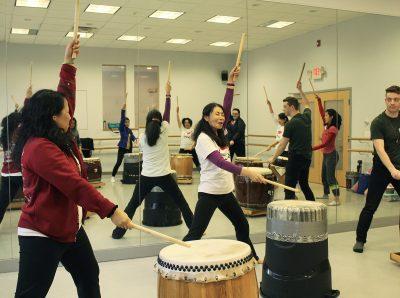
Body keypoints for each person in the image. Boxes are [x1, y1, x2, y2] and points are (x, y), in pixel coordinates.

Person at [12, 38, 133, 298]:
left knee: (89, 276)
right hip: (41, 232)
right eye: (66, 112)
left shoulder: (57, 133)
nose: (71, 115)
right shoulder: (39, 148)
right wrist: (111, 210)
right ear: (52, 117)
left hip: (70, 228)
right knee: (30, 294)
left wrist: (68, 63)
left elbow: (65, 98)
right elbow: (73, 184)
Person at [182, 66, 267, 261]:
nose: (221, 117)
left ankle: (251, 256)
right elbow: (220, 162)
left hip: (226, 192)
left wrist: (231, 83)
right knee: (196, 233)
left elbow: (227, 108)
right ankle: (176, 259)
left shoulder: (220, 132)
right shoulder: (203, 138)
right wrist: (246, 172)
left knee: (242, 225)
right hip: (210, 193)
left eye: (222, 115)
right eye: (216, 114)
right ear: (206, 117)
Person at [112, 80, 194, 239]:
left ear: (148, 121)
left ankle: (118, 233)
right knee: (182, 203)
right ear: (160, 121)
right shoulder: (164, 130)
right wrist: (168, 94)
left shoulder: (142, 137)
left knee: (132, 204)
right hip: (164, 176)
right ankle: (195, 230)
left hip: (147, 176)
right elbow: (167, 113)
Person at [353, 85, 400, 253]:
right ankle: (360, 240)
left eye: (396, 99)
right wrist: (392, 170)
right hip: (382, 170)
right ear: (385, 100)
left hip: (399, 169)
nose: (392, 103)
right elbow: (380, 150)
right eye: (389, 99)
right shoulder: (378, 122)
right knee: (370, 206)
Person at [268, 81, 315, 201]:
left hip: (295, 158)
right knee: (304, 184)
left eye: (285, 106)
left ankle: (289, 216)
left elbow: (282, 145)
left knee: (289, 187)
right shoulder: (306, 117)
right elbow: (308, 104)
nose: (283, 109)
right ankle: (313, 205)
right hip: (307, 157)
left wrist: (273, 158)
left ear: (292, 107)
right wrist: (300, 90)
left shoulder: (290, 124)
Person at [0, 89, 31, 224]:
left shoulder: (4, 135)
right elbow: (27, 117)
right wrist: (28, 99)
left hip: (6, 174)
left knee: (2, 203)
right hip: (19, 173)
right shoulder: (19, 133)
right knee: (33, 200)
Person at [312, 95, 342, 206]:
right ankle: (326, 194)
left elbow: (325, 143)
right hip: (326, 155)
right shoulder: (326, 126)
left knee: (331, 178)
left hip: (332, 155)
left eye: (326, 115)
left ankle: (337, 199)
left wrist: (311, 148)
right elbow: (321, 112)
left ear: (331, 117)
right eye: (325, 115)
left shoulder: (333, 129)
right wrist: (319, 100)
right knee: (324, 176)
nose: (324, 116)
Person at [256, 98, 289, 165]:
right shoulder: (278, 126)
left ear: (284, 119)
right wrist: (269, 105)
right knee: (273, 166)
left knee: (278, 167)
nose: (278, 120)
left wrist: (270, 145)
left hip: (284, 151)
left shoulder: (287, 127)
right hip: (278, 150)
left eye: (279, 119)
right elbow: (272, 115)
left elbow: (280, 140)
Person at [111, 99, 136, 183]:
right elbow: (122, 119)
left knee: (128, 164)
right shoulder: (122, 129)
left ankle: (126, 177)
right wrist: (123, 110)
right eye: (126, 122)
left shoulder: (129, 130)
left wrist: (136, 139)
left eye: (128, 122)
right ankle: (113, 176)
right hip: (122, 148)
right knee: (119, 162)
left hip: (129, 149)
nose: (127, 123)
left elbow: (133, 138)